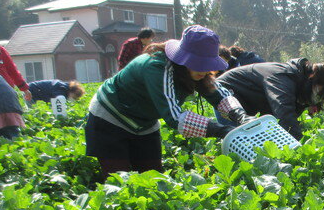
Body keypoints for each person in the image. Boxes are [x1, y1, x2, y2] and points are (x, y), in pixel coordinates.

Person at [85, 25, 248, 178]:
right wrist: (221, 130)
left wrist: (240, 115)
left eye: (207, 65)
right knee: (120, 179)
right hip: (110, 119)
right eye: (199, 64)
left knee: (153, 177)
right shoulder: (157, 66)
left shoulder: (196, 71)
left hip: (145, 123)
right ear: (183, 58)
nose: (204, 70)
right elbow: (175, 117)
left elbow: (217, 93)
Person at [215, 58, 324, 140]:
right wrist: (300, 147)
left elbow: (287, 120)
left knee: (259, 135)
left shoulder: (301, 84)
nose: (320, 98)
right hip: (227, 91)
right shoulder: (283, 78)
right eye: (321, 93)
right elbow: (284, 113)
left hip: (251, 99)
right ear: (313, 80)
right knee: (237, 136)